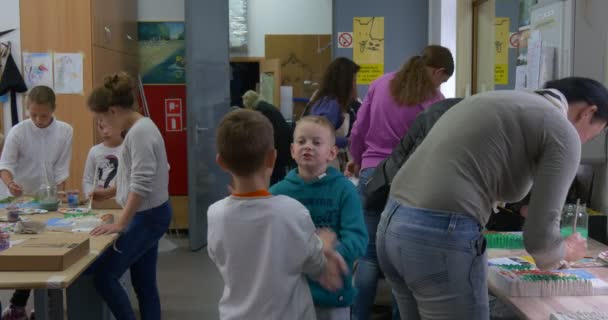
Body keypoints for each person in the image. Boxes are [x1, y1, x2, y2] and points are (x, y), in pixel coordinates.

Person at [377, 77, 608, 319]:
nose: (584, 141)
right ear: (587, 112)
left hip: (392, 225)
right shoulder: (562, 129)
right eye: (594, 134)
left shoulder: (506, 100)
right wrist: (566, 250)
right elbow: (541, 243)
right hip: (438, 234)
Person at [208, 109, 347, 320]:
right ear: (272, 158)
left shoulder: (215, 213)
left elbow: (221, 256)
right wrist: (325, 245)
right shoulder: (292, 211)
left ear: (221, 162)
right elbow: (315, 266)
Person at [348, 45, 454, 320]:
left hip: (372, 175)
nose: (441, 84)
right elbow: (435, 147)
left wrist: (357, 159)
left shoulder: (380, 83)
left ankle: (357, 317)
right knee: (400, 262)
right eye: (443, 79)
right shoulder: (434, 99)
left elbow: (358, 128)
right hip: (408, 181)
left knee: (369, 257)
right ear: (439, 72)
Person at [86, 72, 172, 320]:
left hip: (148, 216)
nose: (103, 126)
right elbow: (138, 175)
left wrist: (121, 224)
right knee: (144, 284)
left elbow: (142, 183)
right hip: (147, 214)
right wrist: (111, 192)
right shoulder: (139, 127)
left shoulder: (140, 133)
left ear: (113, 111)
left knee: (104, 276)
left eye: (102, 120)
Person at [270, 116, 368, 320]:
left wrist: (329, 255)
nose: (308, 147)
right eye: (301, 141)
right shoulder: (277, 192)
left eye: (316, 142)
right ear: (292, 150)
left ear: (331, 152)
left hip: (331, 293)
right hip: (290, 293)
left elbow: (358, 238)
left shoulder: (345, 191)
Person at [0, 86, 73, 320]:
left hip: (47, 201)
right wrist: (11, 184)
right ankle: (17, 306)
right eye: (33, 115)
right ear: (27, 110)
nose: (38, 120)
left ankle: (43, 307)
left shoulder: (64, 131)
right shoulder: (18, 131)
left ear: (53, 109)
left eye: (43, 115)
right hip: (18, 202)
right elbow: (5, 165)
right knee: (24, 251)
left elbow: (61, 169)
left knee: (47, 250)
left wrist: (61, 197)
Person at [306, 57, 360, 151]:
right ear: (345, 83)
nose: (355, 85)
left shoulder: (328, 100)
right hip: (325, 159)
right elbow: (318, 137)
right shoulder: (330, 105)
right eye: (354, 80)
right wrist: (349, 141)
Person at [241, 90, 294, 184]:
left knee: (274, 171)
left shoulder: (261, 110)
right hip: (284, 142)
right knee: (279, 171)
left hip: (278, 144)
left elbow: (261, 132)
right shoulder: (266, 106)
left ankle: (274, 192)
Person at [82, 118, 122, 197]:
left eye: (109, 127)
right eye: (101, 127)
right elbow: (87, 180)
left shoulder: (127, 149)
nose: (105, 132)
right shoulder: (94, 151)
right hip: (98, 204)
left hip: (120, 203)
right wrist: (90, 196)